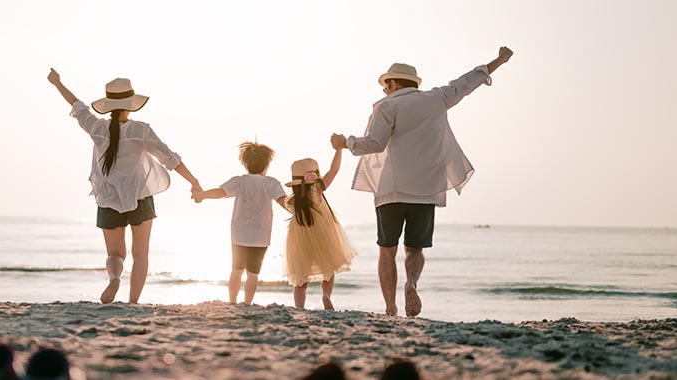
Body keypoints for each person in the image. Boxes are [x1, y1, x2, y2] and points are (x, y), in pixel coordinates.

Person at [330, 47, 514, 317]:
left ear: (393, 84)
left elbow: (375, 144)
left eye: (385, 87)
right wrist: (498, 61)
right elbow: (467, 82)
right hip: (426, 189)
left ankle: (391, 308)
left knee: (387, 250)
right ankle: (412, 283)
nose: (384, 92)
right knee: (414, 248)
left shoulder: (387, 106)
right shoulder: (437, 98)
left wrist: (345, 142)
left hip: (391, 189)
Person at [48, 69, 202, 304]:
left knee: (114, 254)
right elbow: (169, 158)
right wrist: (194, 182)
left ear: (109, 105)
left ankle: (114, 278)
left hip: (108, 198)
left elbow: (77, 105)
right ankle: (133, 302)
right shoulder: (140, 130)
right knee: (140, 255)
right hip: (140, 196)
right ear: (131, 104)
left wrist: (57, 83)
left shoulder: (97, 128)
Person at [192, 141, 288, 304]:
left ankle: (233, 301)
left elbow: (220, 192)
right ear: (266, 164)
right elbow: (283, 201)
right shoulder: (271, 183)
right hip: (260, 236)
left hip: (239, 235)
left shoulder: (239, 181)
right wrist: (298, 210)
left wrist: (202, 195)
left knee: (236, 270)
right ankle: (248, 303)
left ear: (245, 163)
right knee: (253, 273)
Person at [283, 153, 357, 309]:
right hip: (323, 233)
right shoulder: (318, 189)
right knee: (328, 268)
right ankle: (326, 295)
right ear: (315, 175)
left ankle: (299, 307)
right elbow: (334, 170)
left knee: (300, 276)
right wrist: (338, 150)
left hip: (300, 238)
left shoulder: (292, 200)